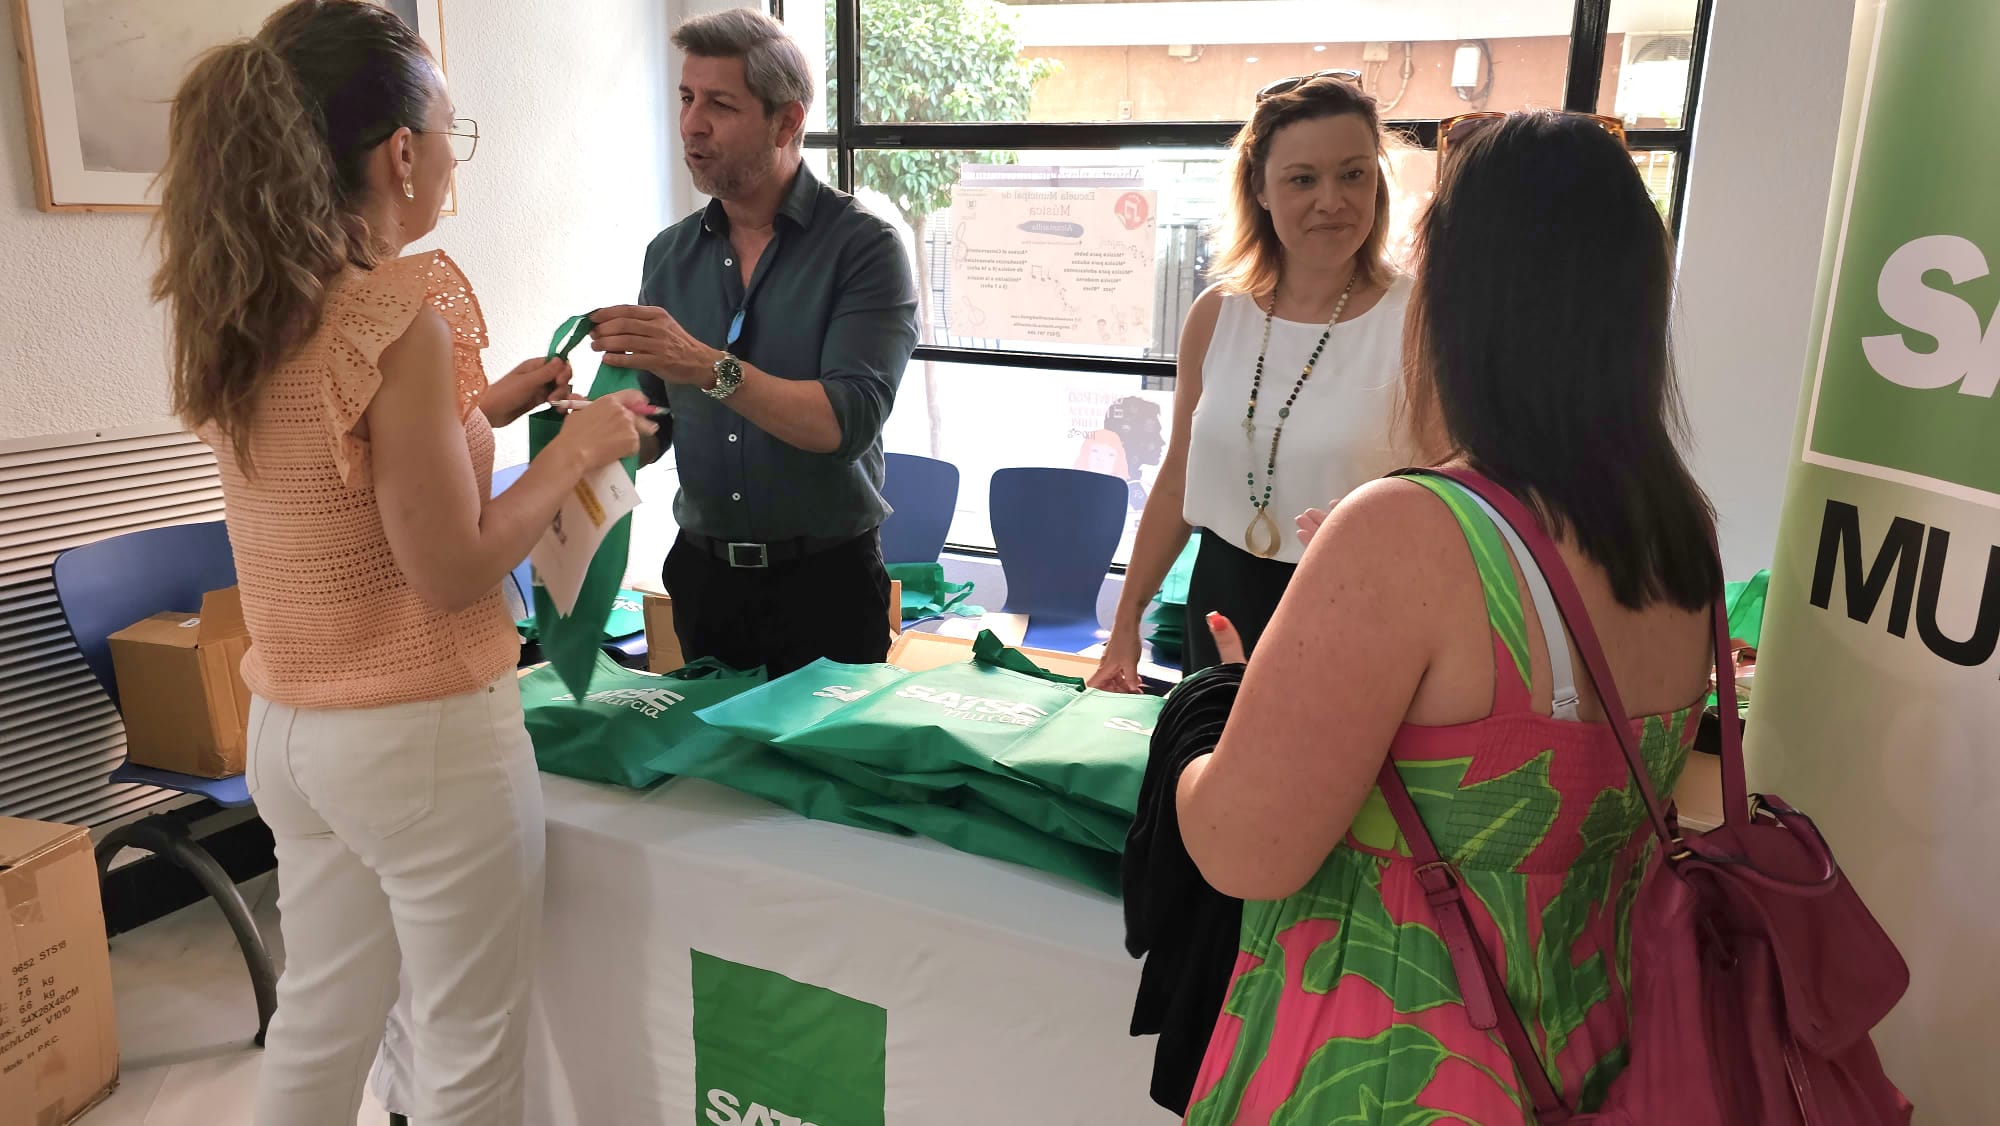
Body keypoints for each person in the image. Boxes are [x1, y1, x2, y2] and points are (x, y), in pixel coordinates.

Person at [150, 3, 655, 1123]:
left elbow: (343, 473)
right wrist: (579, 443)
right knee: (471, 1053)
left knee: (322, 1027)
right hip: (418, 733)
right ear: (402, 154)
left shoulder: (248, 304)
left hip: (292, 728)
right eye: (449, 127)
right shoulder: (393, 310)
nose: (449, 156)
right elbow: (449, 567)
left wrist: (488, 408)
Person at [1172, 111, 1721, 1124]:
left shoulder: (1406, 529)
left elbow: (1241, 846)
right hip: (1595, 1043)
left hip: (1395, 1061)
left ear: (1458, 304)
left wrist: (1222, 713)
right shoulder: (1677, 526)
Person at [588, 9, 918, 678]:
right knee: (704, 782)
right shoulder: (669, 255)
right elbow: (657, 421)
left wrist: (707, 366)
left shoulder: (865, 249)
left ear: (787, 121)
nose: (691, 124)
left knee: (832, 776)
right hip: (703, 578)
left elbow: (844, 421)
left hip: (826, 582)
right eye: (686, 98)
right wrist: (608, 427)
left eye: (720, 104)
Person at [1090, 74, 1411, 689]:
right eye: (1302, 179)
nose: (1332, 201)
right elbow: (1179, 472)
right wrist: (1126, 618)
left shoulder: (1420, 320)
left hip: (1356, 606)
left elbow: (1454, 497)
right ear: (1260, 189)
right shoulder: (1218, 313)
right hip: (1222, 596)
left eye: (1353, 174)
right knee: (1204, 772)